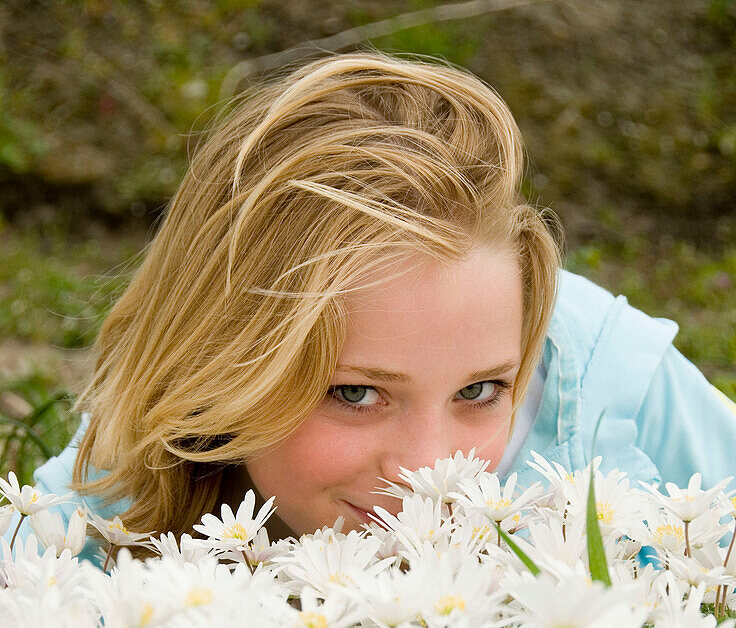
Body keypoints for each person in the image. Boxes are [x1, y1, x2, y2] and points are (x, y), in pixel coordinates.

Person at [12, 50, 736, 566]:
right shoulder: (135, 465)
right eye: (355, 393)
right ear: (221, 363)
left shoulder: (621, 385)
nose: (430, 470)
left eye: (481, 391)